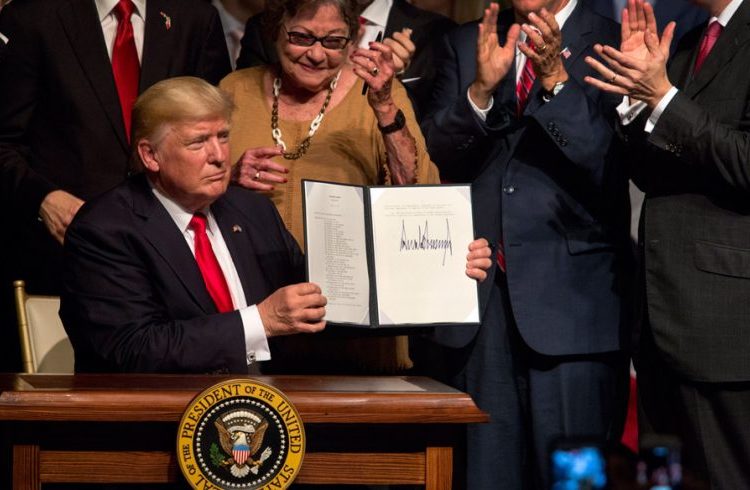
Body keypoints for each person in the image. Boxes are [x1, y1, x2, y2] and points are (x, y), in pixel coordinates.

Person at [420, 1, 632, 488]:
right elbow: (434, 156)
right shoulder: (465, 41)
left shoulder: (614, 40)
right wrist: (479, 92)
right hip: (480, 301)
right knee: (484, 475)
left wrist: (556, 77)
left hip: (573, 308)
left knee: (573, 478)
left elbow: (605, 161)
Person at [0, 0, 231, 372]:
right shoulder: (34, 15)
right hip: (59, 254)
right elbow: (4, 140)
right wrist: (43, 198)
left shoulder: (193, 15)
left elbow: (211, 122)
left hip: (173, 259)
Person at [220, 0, 440, 374]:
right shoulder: (234, 91)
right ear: (277, 31)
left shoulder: (380, 95)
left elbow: (416, 194)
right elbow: (187, 190)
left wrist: (385, 106)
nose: (317, 54)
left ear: (353, 41)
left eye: (333, 41)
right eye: (302, 37)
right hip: (254, 316)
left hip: (351, 324)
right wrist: (230, 178)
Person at [584, 0, 750, 486]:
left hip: (724, 327)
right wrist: (637, 99)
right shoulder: (689, 39)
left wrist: (663, 98)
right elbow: (652, 172)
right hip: (661, 319)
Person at [60, 76, 327, 374]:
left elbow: (313, 303)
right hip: (159, 412)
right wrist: (261, 321)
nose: (219, 157)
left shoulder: (252, 209)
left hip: (270, 403)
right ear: (150, 155)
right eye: (198, 142)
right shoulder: (105, 229)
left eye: (223, 137)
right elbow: (132, 347)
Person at [235, 0, 455, 120]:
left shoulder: (437, 33)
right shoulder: (265, 26)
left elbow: (432, 137)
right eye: (302, 37)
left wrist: (391, 83)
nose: (316, 54)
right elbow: (244, 112)